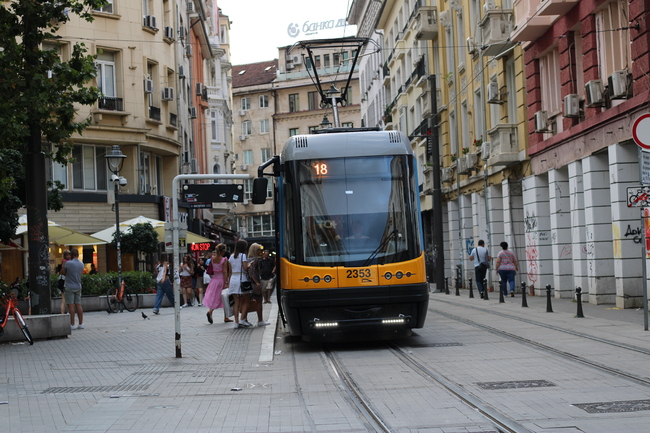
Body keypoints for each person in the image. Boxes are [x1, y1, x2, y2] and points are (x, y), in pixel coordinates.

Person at [204, 244, 232, 324]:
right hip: (221, 279)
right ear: (223, 251)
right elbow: (225, 271)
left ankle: (212, 312)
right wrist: (227, 281)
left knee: (215, 297)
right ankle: (224, 316)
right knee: (224, 298)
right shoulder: (224, 260)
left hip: (214, 280)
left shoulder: (212, 259)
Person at [244, 243, 270, 327]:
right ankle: (260, 320)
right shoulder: (255, 260)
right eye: (259, 250)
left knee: (247, 301)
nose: (261, 251)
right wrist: (257, 282)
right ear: (255, 250)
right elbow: (252, 272)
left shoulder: (247, 259)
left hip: (247, 282)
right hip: (254, 283)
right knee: (259, 300)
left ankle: (245, 319)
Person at [229, 239, 252, 328]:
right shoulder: (243, 255)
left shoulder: (231, 256)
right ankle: (242, 319)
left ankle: (236, 322)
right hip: (242, 278)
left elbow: (230, 269)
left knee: (236, 302)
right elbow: (245, 268)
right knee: (246, 300)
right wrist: (249, 265)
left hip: (233, 279)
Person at [61, 248, 84, 330]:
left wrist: (63, 265)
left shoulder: (68, 263)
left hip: (69, 286)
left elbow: (63, 272)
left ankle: (72, 324)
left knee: (71, 305)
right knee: (78, 304)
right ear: (78, 255)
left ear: (71, 255)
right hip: (78, 285)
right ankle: (81, 324)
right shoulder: (81, 264)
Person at [58, 250, 71, 314]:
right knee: (66, 299)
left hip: (62, 281)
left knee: (64, 299)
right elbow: (63, 272)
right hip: (65, 281)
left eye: (69, 254)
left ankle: (63, 313)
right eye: (67, 255)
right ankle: (66, 312)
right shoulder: (66, 262)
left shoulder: (64, 261)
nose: (69, 256)